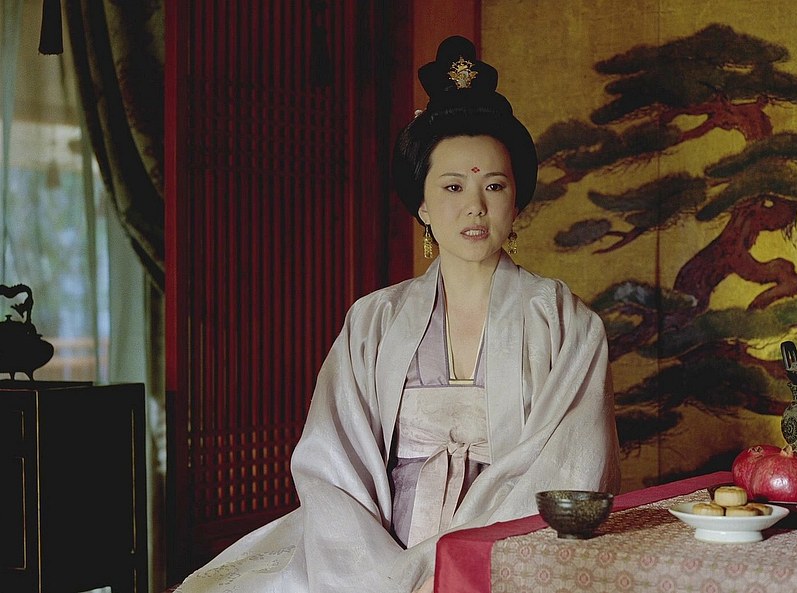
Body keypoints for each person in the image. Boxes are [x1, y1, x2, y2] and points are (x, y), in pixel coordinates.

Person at [174, 35, 620, 593]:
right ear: (424, 206)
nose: (475, 206)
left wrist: (458, 558)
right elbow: (333, 462)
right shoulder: (374, 322)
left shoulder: (566, 323)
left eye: (494, 186)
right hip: (375, 551)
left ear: (517, 203)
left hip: (509, 551)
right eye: (453, 186)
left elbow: (571, 465)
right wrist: (380, 571)